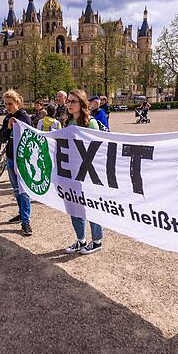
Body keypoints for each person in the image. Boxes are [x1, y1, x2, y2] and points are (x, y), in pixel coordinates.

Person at [62, 89, 104, 254]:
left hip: (88, 173)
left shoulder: (91, 123)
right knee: (74, 206)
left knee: (91, 207)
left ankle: (97, 241)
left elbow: (97, 148)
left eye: (73, 101)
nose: (69, 104)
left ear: (82, 103)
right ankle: (81, 240)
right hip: (72, 171)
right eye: (68, 101)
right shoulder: (69, 122)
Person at [1, 90, 32, 236]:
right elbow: (1, 138)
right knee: (16, 190)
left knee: (23, 191)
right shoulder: (7, 118)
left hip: (22, 160)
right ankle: (21, 214)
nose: (8, 107)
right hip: (10, 158)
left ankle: (26, 222)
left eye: (10, 104)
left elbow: (31, 137)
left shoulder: (24, 117)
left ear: (17, 103)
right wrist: (8, 127)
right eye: (6, 104)